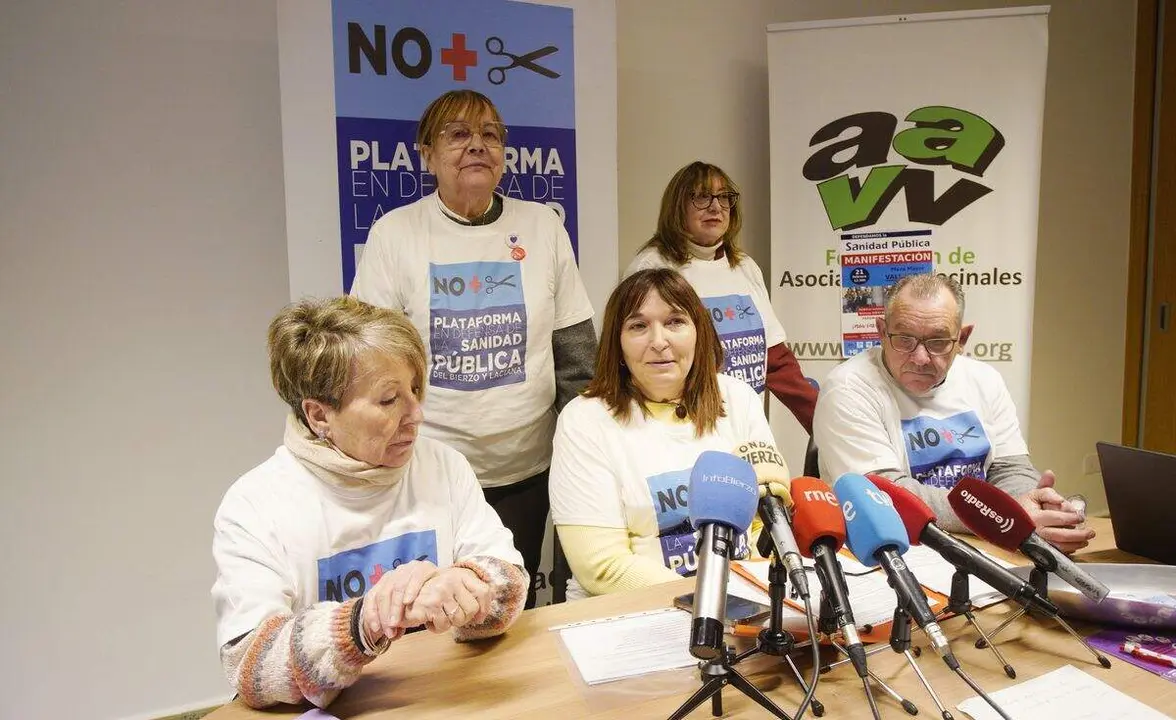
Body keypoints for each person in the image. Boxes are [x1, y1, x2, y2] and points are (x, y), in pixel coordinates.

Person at [211, 297, 527, 709]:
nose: (417, 414)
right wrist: (368, 619)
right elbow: (251, 666)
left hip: (444, 697)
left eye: (415, 389)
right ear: (319, 416)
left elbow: (510, 583)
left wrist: (464, 585)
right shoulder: (254, 504)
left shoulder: (442, 466)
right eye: (388, 399)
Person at [351, 90, 596, 607]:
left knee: (511, 608)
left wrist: (585, 455)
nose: (477, 145)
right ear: (426, 153)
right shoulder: (396, 234)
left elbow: (576, 356)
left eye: (490, 134)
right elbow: (372, 365)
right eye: (458, 134)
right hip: (429, 473)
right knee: (436, 617)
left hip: (527, 469)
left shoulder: (543, 228)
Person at [813, 273, 1094, 553]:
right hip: (893, 551)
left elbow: (1010, 469)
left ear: (962, 338)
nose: (920, 357)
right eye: (904, 339)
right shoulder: (848, 387)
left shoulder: (985, 379)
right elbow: (886, 493)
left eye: (937, 342)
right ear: (881, 332)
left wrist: (1035, 506)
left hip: (981, 542)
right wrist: (1001, 516)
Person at [549, 268, 776, 600]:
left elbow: (762, 527)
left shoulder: (738, 399)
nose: (659, 341)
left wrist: (748, 599)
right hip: (629, 612)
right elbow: (602, 567)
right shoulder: (585, 420)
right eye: (639, 326)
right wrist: (710, 601)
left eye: (675, 322)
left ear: (700, 332)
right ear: (617, 343)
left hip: (742, 602)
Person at [625, 161, 817, 433]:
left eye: (724, 197)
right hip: (684, 428)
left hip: (744, 425)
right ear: (677, 205)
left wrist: (823, 423)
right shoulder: (653, 267)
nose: (716, 207)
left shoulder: (744, 266)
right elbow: (638, 362)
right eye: (702, 197)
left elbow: (775, 359)